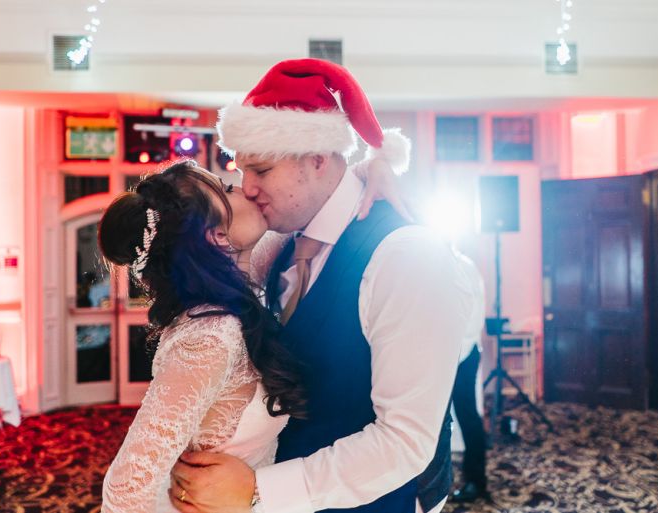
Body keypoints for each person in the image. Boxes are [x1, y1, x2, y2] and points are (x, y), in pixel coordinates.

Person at [169, 58, 473, 513]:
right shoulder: (283, 243)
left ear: (316, 158)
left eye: (262, 170)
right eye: (242, 170)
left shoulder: (406, 255)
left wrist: (258, 491)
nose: (245, 187)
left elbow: (406, 441)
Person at [98, 157, 407, 512]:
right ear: (216, 236)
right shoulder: (209, 336)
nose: (246, 189)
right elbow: (125, 487)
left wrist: (376, 168)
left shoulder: (248, 275)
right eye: (228, 190)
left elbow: (319, 199)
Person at [449, 252, 489, 503]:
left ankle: (476, 480)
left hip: (462, 352)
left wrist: (454, 352)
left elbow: (473, 317)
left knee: (466, 414)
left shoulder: (464, 265)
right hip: (446, 351)